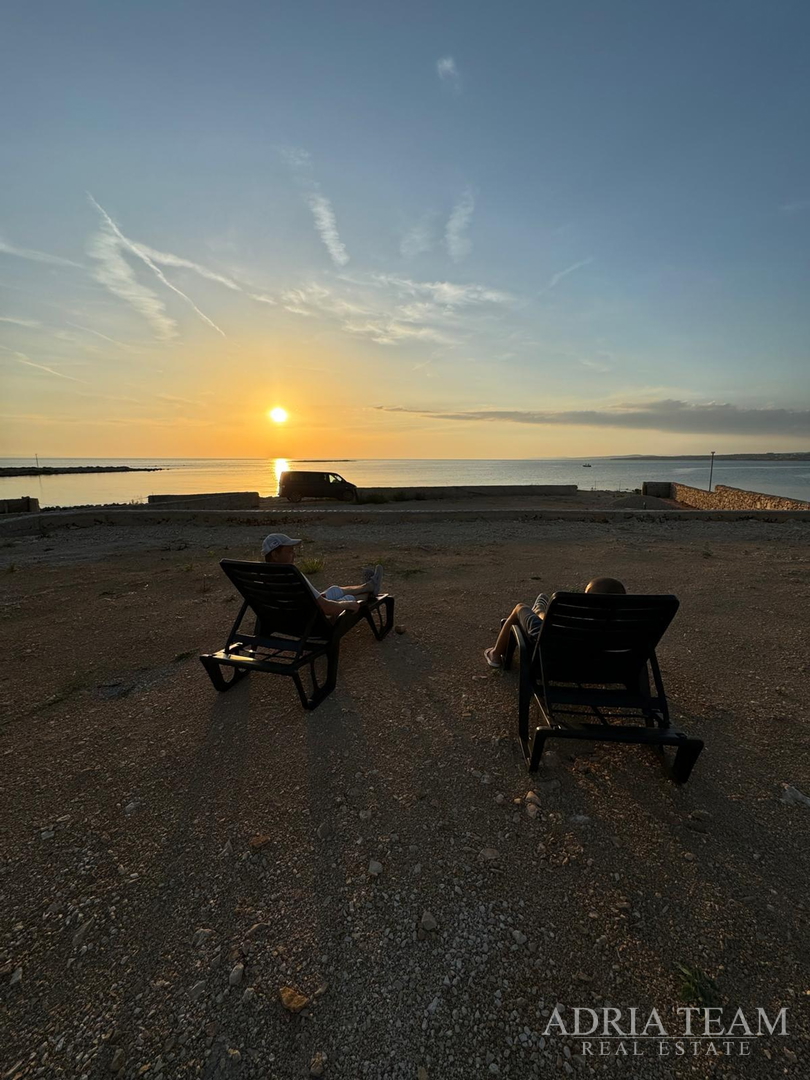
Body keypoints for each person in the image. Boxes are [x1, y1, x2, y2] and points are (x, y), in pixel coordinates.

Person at [483, 576, 627, 668]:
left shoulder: (580, 622)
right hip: (600, 666)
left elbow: (555, 627)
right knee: (543, 611)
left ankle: (495, 654)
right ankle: (540, 608)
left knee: (520, 608)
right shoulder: (626, 629)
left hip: (554, 652)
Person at [261, 533, 383, 619]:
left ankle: (369, 586)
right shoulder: (291, 575)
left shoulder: (261, 575)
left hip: (290, 618)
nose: (294, 555)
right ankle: (370, 594)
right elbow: (326, 608)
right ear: (275, 555)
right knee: (350, 599)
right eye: (289, 551)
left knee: (333, 590)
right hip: (313, 622)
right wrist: (348, 604)